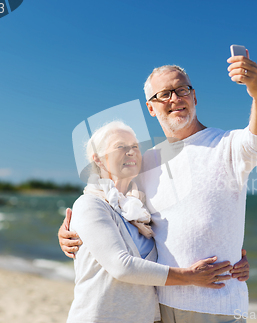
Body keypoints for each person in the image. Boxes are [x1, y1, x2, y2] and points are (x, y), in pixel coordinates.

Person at [61, 50, 257, 322]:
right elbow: (110, 201)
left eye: (182, 90)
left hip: (218, 302)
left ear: (194, 97)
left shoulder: (227, 146)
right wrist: (70, 230)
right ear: (151, 107)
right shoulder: (145, 161)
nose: (175, 99)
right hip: (160, 305)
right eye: (164, 94)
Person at [66, 120, 235, 323]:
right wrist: (190, 276)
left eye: (135, 146)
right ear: (99, 160)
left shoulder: (140, 209)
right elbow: (122, 266)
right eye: (120, 146)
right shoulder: (89, 204)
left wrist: (233, 258)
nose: (131, 152)